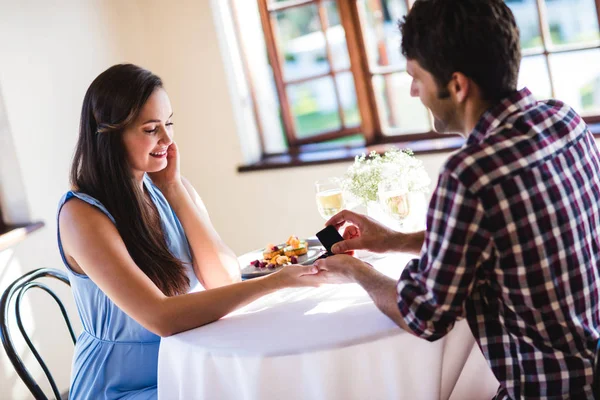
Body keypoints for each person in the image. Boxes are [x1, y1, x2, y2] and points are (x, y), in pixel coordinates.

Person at [310, 0, 600, 398]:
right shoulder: (565, 121)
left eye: (416, 77)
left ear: (458, 86)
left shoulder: (470, 174)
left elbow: (424, 315)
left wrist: (353, 270)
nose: (414, 91)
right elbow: (505, 240)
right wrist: (393, 240)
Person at [57, 64, 318, 399]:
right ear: (108, 136)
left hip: (189, 364)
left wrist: (175, 191)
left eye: (169, 124)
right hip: (127, 385)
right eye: (151, 129)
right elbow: (161, 317)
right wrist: (275, 281)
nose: (167, 139)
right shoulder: (82, 216)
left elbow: (224, 279)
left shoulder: (166, 188)